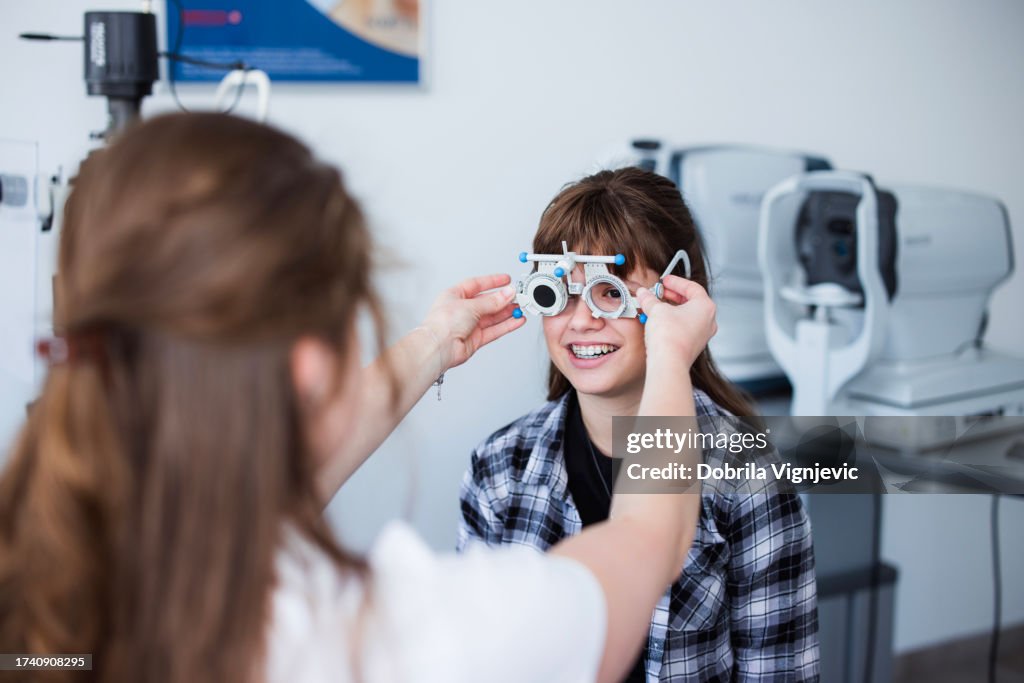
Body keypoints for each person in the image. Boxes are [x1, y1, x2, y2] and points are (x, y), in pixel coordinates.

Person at [0, 113, 717, 683]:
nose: (588, 315)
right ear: (312, 364)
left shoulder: (44, 580)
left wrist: (437, 341)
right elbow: (650, 538)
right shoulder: (394, 626)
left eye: (613, 291)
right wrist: (671, 362)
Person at [458, 167, 820, 682]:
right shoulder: (499, 467)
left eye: (611, 293)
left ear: (675, 299)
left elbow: (781, 672)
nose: (581, 320)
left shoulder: (749, 476)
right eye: (559, 291)